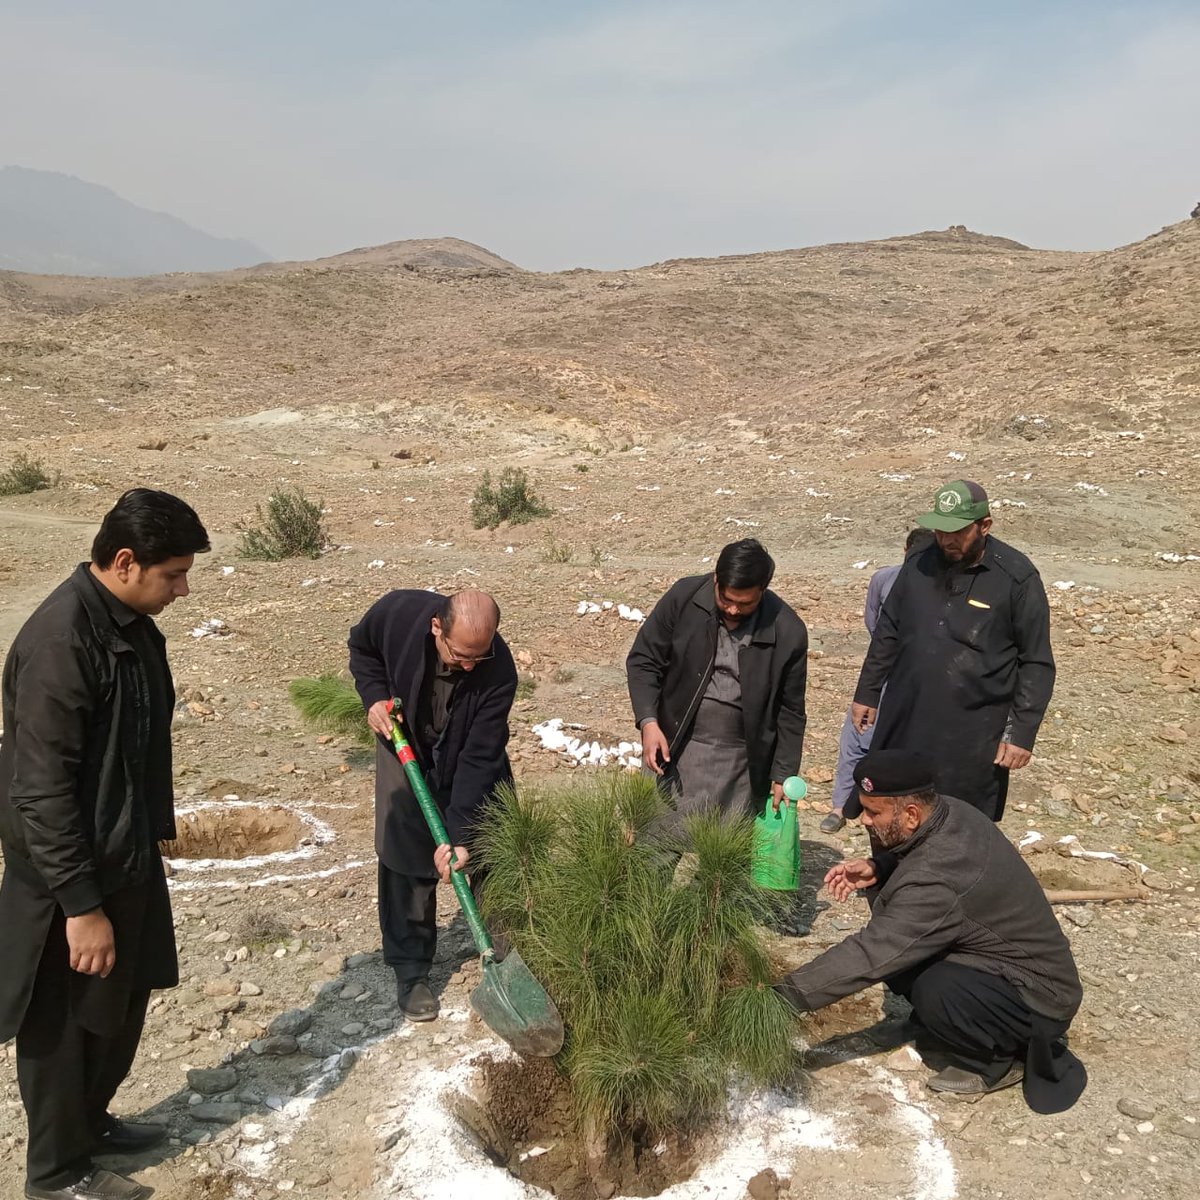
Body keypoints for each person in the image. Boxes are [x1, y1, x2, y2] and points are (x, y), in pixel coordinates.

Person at [0, 489, 210, 1200]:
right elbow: (41, 791)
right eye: (173, 575)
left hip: (123, 857)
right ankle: (56, 1174)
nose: (183, 589)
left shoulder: (128, 620)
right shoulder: (63, 641)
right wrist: (81, 905)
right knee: (61, 1024)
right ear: (125, 562)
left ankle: (91, 1125)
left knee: (119, 1008)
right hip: (68, 877)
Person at [776, 749, 1087, 1111]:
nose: (863, 820)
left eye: (873, 812)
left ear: (910, 814)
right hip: (995, 964)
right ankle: (955, 1027)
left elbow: (872, 952)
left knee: (934, 989)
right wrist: (881, 866)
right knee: (910, 963)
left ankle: (995, 1062)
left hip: (1038, 999)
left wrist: (784, 996)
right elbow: (919, 857)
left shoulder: (938, 875)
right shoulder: (948, 811)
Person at [348, 589, 517, 1022]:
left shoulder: (498, 670)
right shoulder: (397, 615)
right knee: (405, 856)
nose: (468, 666)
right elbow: (362, 649)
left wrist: (461, 837)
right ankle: (411, 970)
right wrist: (374, 697)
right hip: (406, 749)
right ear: (436, 628)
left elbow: (479, 758)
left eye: (478, 657)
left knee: (491, 847)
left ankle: (511, 957)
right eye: (460, 655)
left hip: (469, 758)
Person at [849, 480, 1054, 821]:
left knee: (959, 819)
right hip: (907, 713)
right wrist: (867, 691)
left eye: (957, 532)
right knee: (893, 808)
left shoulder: (1016, 578)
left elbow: (1036, 661)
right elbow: (888, 629)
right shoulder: (919, 561)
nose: (946, 541)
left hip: (973, 727)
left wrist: (1021, 732)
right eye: (940, 531)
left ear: (984, 526)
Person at [626, 538, 808, 821]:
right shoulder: (684, 598)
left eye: (745, 604)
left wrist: (783, 773)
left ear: (763, 590)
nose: (734, 610)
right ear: (716, 579)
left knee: (725, 853)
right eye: (727, 600)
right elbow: (643, 660)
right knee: (656, 844)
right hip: (676, 742)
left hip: (741, 760)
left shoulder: (787, 630)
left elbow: (791, 710)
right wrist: (648, 722)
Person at [820, 528, 933, 833]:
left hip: (919, 681)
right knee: (856, 738)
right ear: (905, 551)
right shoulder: (884, 580)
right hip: (881, 676)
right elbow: (875, 625)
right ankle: (841, 807)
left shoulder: (937, 584)